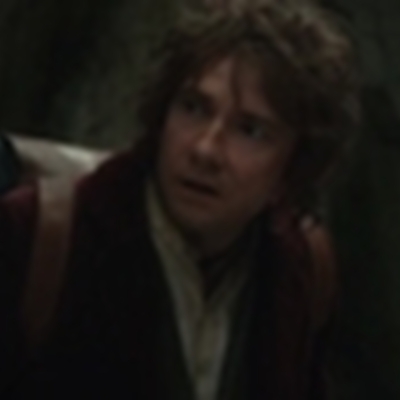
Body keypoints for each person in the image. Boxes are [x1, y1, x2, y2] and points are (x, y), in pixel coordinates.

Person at [0, 1, 359, 399]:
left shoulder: (301, 269)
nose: (205, 150)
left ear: (293, 166)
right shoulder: (40, 240)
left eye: (250, 131)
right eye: (194, 108)